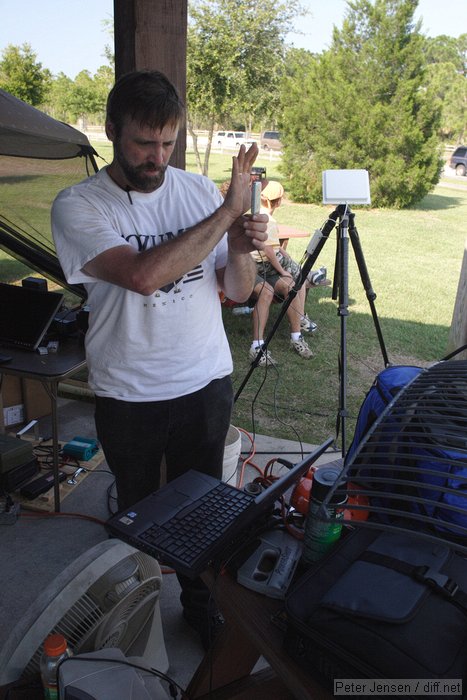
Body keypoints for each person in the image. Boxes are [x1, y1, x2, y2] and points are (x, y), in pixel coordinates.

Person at [51, 70, 268, 649]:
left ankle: (201, 606)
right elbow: (143, 276)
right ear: (112, 130)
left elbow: (240, 290)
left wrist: (243, 243)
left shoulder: (196, 191)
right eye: (145, 143)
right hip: (130, 392)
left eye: (168, 142)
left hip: (204, 379)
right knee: (140, 519)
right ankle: (138, 622)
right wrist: (227, 213)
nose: (158, 157)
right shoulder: (79, 204)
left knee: (205, 513)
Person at [249, 180, 323, 365]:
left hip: (265, 267)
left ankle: (296, 337)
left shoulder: (258, 214)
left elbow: (274, 247)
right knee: (269, 291)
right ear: (279, 201)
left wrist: (283, 255)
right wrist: (283, 269)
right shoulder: (268, 220)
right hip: (252, 267)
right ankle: (257, 346)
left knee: (292, 286)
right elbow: (268, 250)